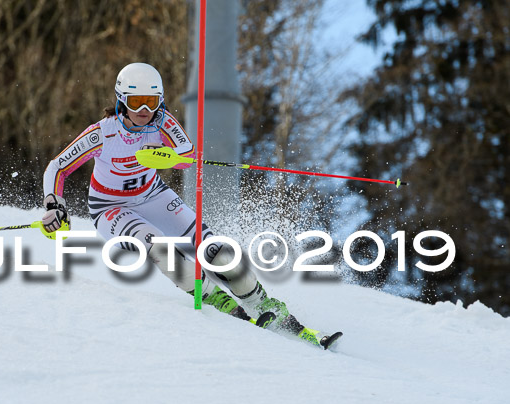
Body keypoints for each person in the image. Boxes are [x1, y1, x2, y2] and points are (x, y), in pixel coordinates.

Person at [41, 62, 341, 349]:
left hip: (154, 196)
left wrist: (167, 154)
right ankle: (217, 301)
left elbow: (187, 153)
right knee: (159, 247)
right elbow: (57, 167)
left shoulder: (163, 121)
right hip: (111, 207)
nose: (145, 110)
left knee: (216, 251)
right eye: (136, 102)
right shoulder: (102, 133)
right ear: (121, 101)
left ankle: (261, 303)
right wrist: (54, 205)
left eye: (151, 101)